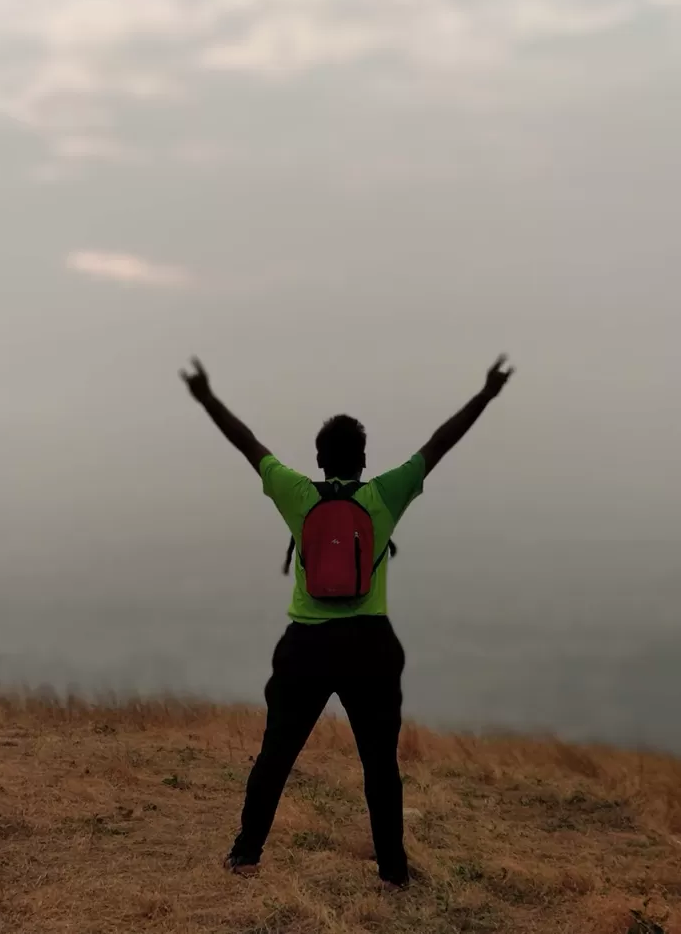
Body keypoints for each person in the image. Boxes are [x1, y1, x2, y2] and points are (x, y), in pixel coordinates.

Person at [179, 354, 515, 890]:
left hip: (305, 647)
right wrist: (486, 394)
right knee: (380, 764)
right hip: (370, 645)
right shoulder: (385, 494)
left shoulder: (296, 493)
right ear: (363, 459)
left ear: (318, 458)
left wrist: (206, 397)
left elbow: (246, 443)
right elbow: (440, 443)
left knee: (276, 754)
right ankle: (393, 872)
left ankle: (245, 855)